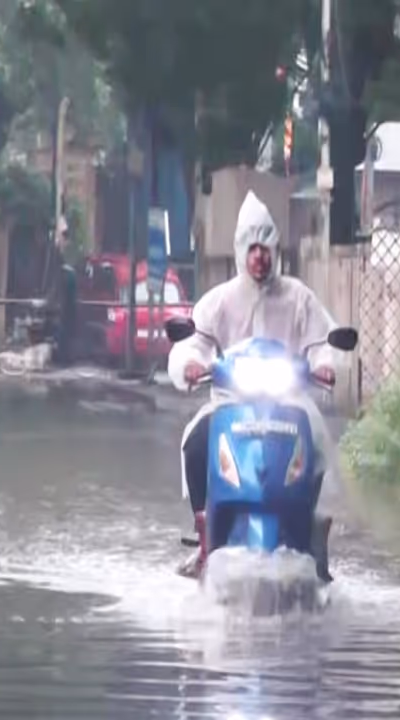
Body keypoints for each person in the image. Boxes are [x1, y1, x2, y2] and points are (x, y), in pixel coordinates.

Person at [167, 190, 341, 580]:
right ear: (240, 251)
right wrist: (191, 364)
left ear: (276, 250)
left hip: (287, 403)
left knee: (316, 445)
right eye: (253, 248)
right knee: (195, 442)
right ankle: (206, 537)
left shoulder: (299, 298)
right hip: (231, 403)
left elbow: (322, 343)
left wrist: (325, 365)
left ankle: (312, 533)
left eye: (266, 248)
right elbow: (190, 343)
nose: (260, 257)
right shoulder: (219, 301)